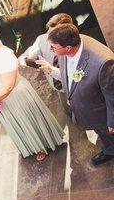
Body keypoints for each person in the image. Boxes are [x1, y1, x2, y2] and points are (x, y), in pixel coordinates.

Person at [0, 24, 64, 161]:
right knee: (18, 124)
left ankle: (41, 146)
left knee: (27, 121)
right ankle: (29, 145)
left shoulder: (5, 55)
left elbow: (8, 87)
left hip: (15, 96)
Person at [39, 23, 114, 166]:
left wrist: (112, 122)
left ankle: (110, 150)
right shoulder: (66, 49)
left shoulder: (103, 63)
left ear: (68, 48)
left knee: (107, 132)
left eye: (53, 47)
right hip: (89, 109)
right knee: (102, 132)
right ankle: (109, 146)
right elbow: (68, 76)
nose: (50, 50)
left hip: (101, 111)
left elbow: (112, 96)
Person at [18, 13, 74, 92]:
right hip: (58, 90)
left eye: (55, 34)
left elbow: (71, 76)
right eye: (49, 32)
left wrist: (50, 69)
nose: (50, 39)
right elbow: (28, 54)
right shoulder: (42, 39)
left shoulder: (72, 47)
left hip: (75, 88)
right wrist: (24, 59)